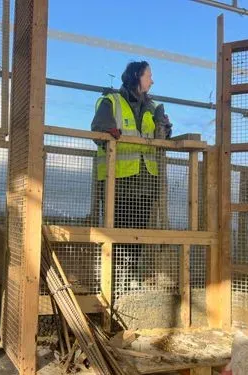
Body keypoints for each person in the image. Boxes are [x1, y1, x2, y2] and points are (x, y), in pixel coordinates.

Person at [91, 61, 172, 289]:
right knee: (119, 235)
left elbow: (160, 137)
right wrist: (107, 132)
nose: (152, 80)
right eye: (149, 75)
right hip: (119, 182)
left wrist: (165, 127)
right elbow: (98, 131)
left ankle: (127, 281)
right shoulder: (111, 101)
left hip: (145, 182)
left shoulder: (153, 106)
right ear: (136, 76)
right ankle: (114, 283)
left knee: (137, 237)